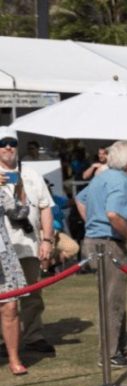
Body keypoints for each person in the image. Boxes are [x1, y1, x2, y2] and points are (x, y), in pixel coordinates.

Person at [76, 140, 127, 367]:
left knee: (111, 298)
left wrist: (92, 224)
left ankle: (118, 349)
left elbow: (80, 199)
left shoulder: (101, 177)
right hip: (109, 243)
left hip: (94, 240)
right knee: (113, 300)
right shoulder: (121, 181)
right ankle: (110, 354)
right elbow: (113, 214)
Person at [0, 126, 57, 357]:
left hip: (29, 244)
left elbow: (45, 208)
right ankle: (5, 340)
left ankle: (34, 336)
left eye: (12, 143)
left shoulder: (31, 175)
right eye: (2, 143)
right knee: (3, 298)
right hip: (4, 248)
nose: (7, 148)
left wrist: (47, 240)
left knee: (33, 293)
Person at [0, 191, 29, 375]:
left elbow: (18, 214)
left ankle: (14, 358)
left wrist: (20, 192)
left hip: (2, 256)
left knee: (10, 307)